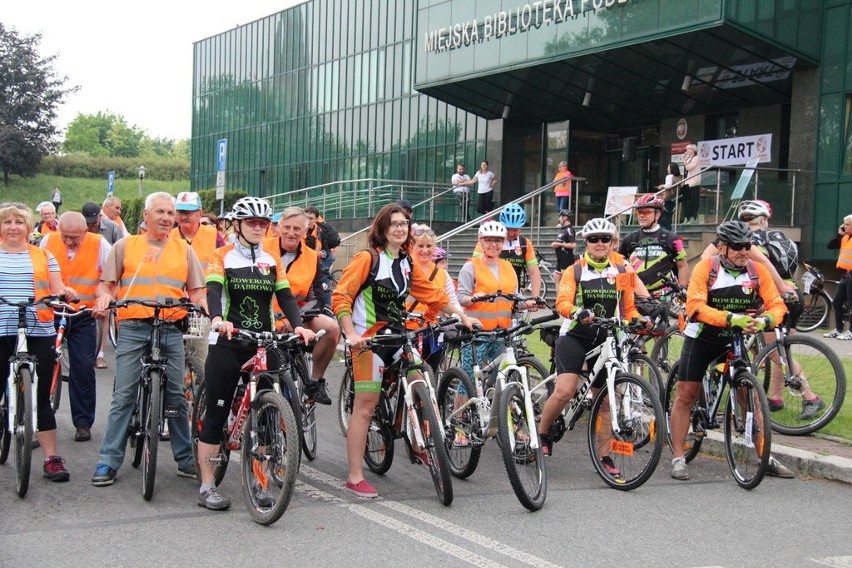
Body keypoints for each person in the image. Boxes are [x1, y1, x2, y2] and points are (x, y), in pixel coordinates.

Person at [332, 202, 477, 499]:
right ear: (383, 229)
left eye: (404, 224)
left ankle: (420, 440)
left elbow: (433, 295)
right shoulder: (367, 259)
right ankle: (355, 476)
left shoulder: (406, 262)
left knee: (421, 378)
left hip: (399, 337)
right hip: (369, 341)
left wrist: (463, 316)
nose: (400, 228)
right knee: (366, 406)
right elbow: (341, 296)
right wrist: (349, 333)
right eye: (394, 223)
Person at [196, 197, 315, 511]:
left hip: (263, 341)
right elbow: (213, 291)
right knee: (216, 415)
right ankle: (208, 486)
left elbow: (286, 296)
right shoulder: (222, 256)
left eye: (263, 223)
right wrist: (218, 320)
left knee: (265, 418)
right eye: (251, 222)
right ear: (238, 224)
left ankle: (259, 481)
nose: (258, 228)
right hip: (228, 342)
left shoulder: (271, 260)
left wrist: (300, 326)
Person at [90, 192, 208, 487]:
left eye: (170, 213)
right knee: (124, 396)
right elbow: (106, 286)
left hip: (170, 325)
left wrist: (205, 308)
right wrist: (104, 299)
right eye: (160, 212)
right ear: (146, 216)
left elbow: (197, 291)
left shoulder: (183, 250)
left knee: (177, 398)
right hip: (133, 325)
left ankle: (184, 459)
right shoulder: (125, 246)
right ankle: (108, 461)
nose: (167, 218)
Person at [669, 221, 788, 481]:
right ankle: (678, 457)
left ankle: (763, 455)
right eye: (737, 246)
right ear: (722, 247)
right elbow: (695, 307)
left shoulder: (757, 271)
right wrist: (731, 318)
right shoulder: (706, 268)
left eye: (747, 246)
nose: (743, 251)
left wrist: (766, 320)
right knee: (686, 395)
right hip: (703, 337)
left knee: (749, 393)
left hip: (734, 339)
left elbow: (776, 304)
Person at [537, 218, 651, 468]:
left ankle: (605, 457)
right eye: (593, 239)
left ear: (612, 242)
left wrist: (641, 320)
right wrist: (577, 312)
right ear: (585, 243)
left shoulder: (623, 271)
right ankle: (543, 433)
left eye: (605, 239)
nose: (599, 243)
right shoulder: (574, 270)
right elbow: (563, 302)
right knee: (566, 390)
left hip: (607, 339)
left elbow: (628, 308)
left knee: (608, 401)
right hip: (576, 336)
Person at [0, 203, 77, 482]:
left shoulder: (44, 256)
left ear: (29, 228)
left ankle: (51, 458)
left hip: (37, 327)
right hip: (1, 330)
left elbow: (56, 288)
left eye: (19, 222)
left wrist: (65, 292)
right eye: (7, 222)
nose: (13, 227)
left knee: (41, 396)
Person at [41, 212, 112, 442]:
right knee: (40, 363)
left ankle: (83, 422)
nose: (69, 242)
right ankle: (35, 417)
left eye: (74, 237)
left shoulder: (100, 244)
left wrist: (104, 301)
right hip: (51, 311)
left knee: (82, 366)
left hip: (83, 314)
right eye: (65, 236)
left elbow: (111, 278)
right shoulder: (48, 241)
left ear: (86, 232)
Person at [265, 206, 341, 405]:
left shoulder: (312, 256)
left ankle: (315, 382)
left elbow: (317, 296)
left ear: (306, 231)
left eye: (297, 229)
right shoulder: (262, 248)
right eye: (287, 227)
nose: (291, 233)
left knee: (332, 328)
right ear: (279, 228)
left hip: (297, 316)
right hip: (264, 317)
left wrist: (295, 319)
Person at [170, 191, 221, 389]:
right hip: (174, 303)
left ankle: (202, 400)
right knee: (172, 356)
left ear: (200, 213)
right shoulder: (168, 236)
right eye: (181, 211)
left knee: (202, 355)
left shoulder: (214, 236)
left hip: (203, 305)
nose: (184, 216)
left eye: (189, 212)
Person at [406, 223, 460, 372]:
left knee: (431, 374)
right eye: (420, 246)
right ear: (412, 246)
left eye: (429, 246)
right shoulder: (404, 268)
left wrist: (461, 317)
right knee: (409, 375)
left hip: (432, 331)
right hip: (407, 330)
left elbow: (452, 301)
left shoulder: (442, 274)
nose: (425, 250)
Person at [618, 194, 689, 298]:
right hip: (636, 296)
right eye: (639, 212)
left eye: (646, 212)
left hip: (664, 296)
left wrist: (683, 288)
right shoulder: (629, 239)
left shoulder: (673, 238)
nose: (641, 215)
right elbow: (620, 267)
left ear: (657, 215)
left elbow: (682, 265)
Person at [472, 203, 542, 299]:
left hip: (514, 295)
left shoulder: (524, 243)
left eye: (515, 230)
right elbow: (474, 268)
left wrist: (536, 298)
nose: (511, 233)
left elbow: (534, 272)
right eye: (508, 229)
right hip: (487, 294)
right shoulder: (486, 242)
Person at [304, 206, 340, 306]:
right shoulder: (301, 230)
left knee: (323, 284)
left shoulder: (320, 231)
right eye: (306, 217)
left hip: (322, 259)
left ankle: (327, 309)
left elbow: (325, 250)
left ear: (316, 219)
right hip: (311, 260)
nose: (308, 221)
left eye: (311, 218)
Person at [825, 214, 852, 339]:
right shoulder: (845, 238)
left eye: (847, 224)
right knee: (837, 302)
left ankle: (850, 332)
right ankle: (839, 329)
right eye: (844, 224)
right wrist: (839, 234)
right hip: (845, 275)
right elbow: (830, 245)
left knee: (851, 304)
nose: (844, 227)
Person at [551, 209, 576, 288]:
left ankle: (566, 299)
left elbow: (573, 245)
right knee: (556, 278)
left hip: (566, 259)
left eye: (560, 217)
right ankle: (558, 299)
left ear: (565, 218)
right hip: (560, 259)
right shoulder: (563, 229)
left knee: (566, 282)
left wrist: (558, 244)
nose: (559, 219)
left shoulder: (569, 229)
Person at [656, 162, 682, 230]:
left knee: (663, 219)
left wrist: (662, 186)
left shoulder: (670, 176)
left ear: (671, 169)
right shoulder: (678, 177)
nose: (667, 169)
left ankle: (664, 233)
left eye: (668, 167)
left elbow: (668, 186)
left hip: (668, 199)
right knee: (668, 218)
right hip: (674, 199)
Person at [681, 144, 701, 223]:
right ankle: (686, 217)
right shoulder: (689, 159)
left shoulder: (696, 158)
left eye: (689, 149)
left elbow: (689, 167)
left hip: (694, 183)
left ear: (693, 150)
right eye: (686, 149)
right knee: (686, 201)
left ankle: (693, 217)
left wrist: (683, 160)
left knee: (693, 201)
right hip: (687, 182)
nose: (687, 151)